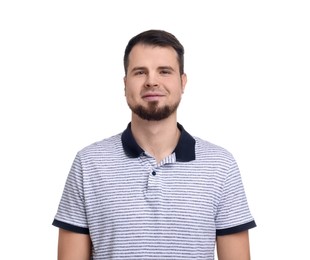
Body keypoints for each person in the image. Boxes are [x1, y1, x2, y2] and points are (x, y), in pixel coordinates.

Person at [52, 29, 256, 260]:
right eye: (140, 72)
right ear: (125, 83)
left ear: (182, 82)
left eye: (164, 71)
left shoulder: (221, 166)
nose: (151, 81)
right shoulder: (88, 164)